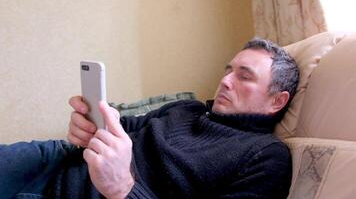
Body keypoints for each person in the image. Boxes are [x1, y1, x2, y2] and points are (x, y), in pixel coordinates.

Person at [0, 38, 299, 199]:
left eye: (244, 76)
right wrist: (92, 125)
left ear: (277, 100)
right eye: (228, 70)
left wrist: (123, 189)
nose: (225, 81)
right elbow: (125, 127)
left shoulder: (266, 157)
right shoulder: (188, 108)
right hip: (59, 162)